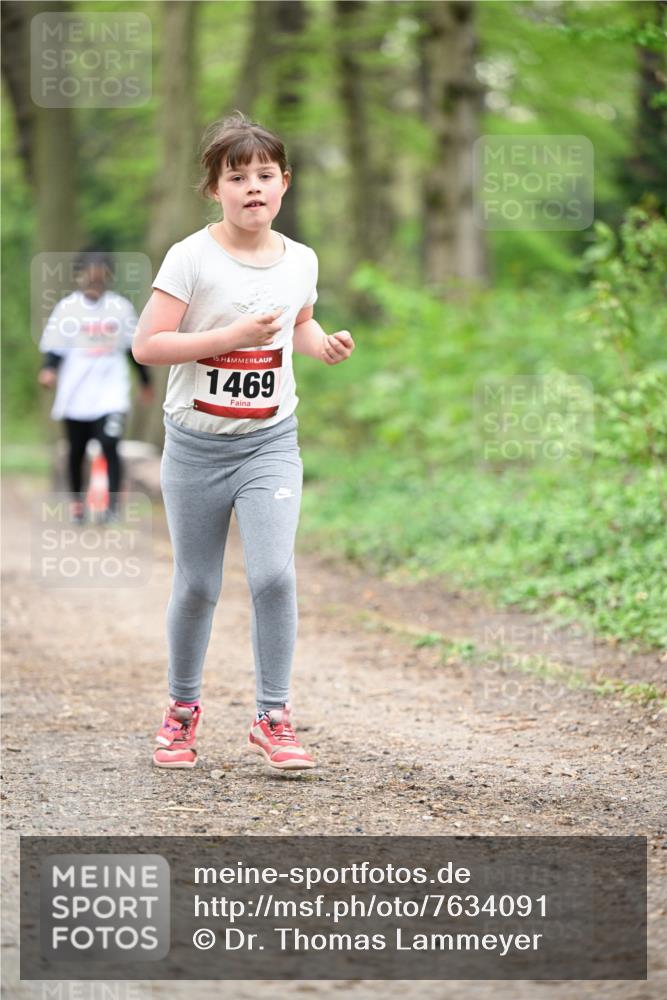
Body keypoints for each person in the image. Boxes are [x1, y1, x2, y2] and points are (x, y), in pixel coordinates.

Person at [133, 111, 355, 773]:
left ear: (284, 183)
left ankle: (272, 716)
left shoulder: (301, 260)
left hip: (269, 444)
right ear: (215, 190)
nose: (252, 187)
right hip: (195, 446)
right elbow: (148, 346)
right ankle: (181, 712)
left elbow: (300, 324)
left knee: (274, 574)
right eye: (237, 177)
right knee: (198, 584)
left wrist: (322, 344)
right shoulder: (190, 258)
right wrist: (228, 337)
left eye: (264, 174)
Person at [38, 249, 154, 523]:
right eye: (89, 277)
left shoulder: (120, 308)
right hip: (76, 393)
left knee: (109, 444)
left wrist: (145, 381)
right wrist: (49, 370)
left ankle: (111, 507)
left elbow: (132, 349)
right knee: (76, 450)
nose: (94, 283)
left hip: (111, 392)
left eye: (100, 278)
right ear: (79, 277)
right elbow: (55, 349)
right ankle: (77, 504)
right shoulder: (67, 309)